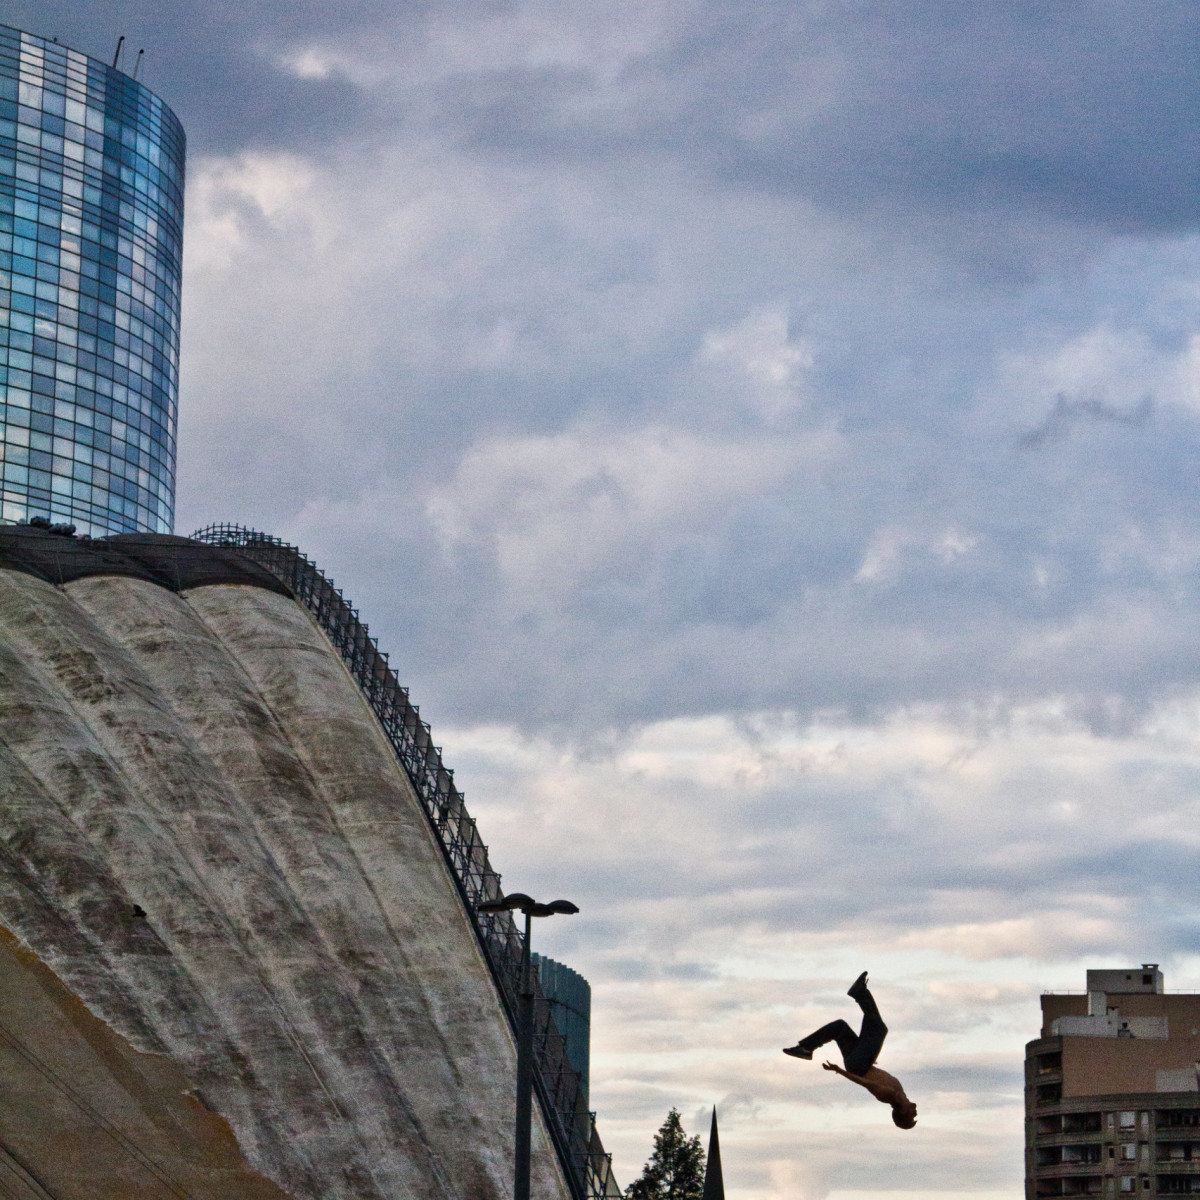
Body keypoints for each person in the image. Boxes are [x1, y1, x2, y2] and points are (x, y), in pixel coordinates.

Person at [783, 972, 918, 1129]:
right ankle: (805, 1048)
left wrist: (839, 1070)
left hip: (858, 1065)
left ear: (902, 1112)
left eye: (912, 1115)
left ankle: (859, 992)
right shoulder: (899, 1093)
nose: (915, 1112)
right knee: (840, 1028)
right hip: (861, 1061)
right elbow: (875, 1076)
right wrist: (869, 1054)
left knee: (879, 1029)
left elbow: (864, 1082)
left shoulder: (889, 1095)